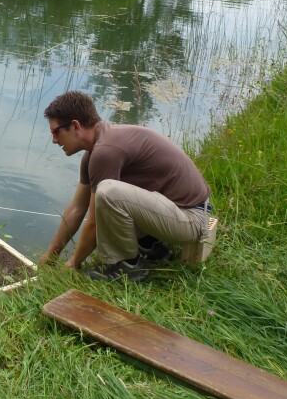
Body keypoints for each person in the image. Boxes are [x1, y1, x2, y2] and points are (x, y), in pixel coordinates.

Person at [40, 91, 211, 281]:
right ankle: (151, 246)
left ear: (75, 125)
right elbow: (77, 209)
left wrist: (72, 264)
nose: (54, 140)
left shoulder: (105, 152)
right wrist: (50, 256)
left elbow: (94, 221)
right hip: (174, 212)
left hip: (191, 218)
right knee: (109, 195)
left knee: (108, 193)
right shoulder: (94, 153)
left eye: (56, 132)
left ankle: (127, 266)